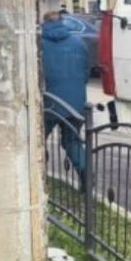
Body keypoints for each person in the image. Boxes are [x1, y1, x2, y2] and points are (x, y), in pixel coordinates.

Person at [41, 11, 89, 177]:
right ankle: (87, 176)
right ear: (62, 21)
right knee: (72, 141)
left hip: (49, 103)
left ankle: (38, 174)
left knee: (36, 140)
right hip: (75, 105)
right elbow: (86, 73)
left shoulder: (37, 44)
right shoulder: (78, 42)